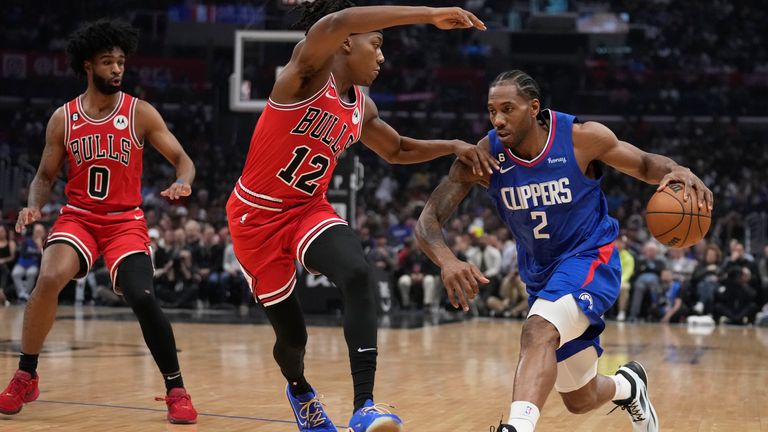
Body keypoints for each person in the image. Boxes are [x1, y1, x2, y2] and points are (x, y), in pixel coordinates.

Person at [225, 2, 493, 431]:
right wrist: (429, 14)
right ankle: (300, 390)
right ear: (347, 42)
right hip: (255, 215)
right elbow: (338, 20)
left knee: (357, 272)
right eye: (378, 43)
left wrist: (454, 145)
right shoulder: (304, 75)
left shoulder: (360, 108)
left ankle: (364, 405)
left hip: (307, 209)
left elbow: (398, 149)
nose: (383, 56)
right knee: (293, 340)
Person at [415, 70, 714, 432]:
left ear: (533, 108)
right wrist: (446, 260)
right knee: (580, 398)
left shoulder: (581, 139)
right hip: (542, 276)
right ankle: (628, 385)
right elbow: (428, 219)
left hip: (591, 258)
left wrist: (679, 169)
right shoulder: (485, 157)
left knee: (537, 330)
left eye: (508, 109)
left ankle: (516, 428)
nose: (498, 119)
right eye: (492, 110)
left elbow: (647, 164)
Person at [0, 20, 198, 424]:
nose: (117, 69)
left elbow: (183, 160)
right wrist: (33, 205)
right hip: (79, 219)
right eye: (108, 62)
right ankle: (26, 374)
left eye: (121, 61)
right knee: (48, 279)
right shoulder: (64, 118)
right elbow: (43, 176)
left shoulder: (139, 112)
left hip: (126, 221)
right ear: (88, 65)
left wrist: (182, 181)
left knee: (142, 296)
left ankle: (176, 388)